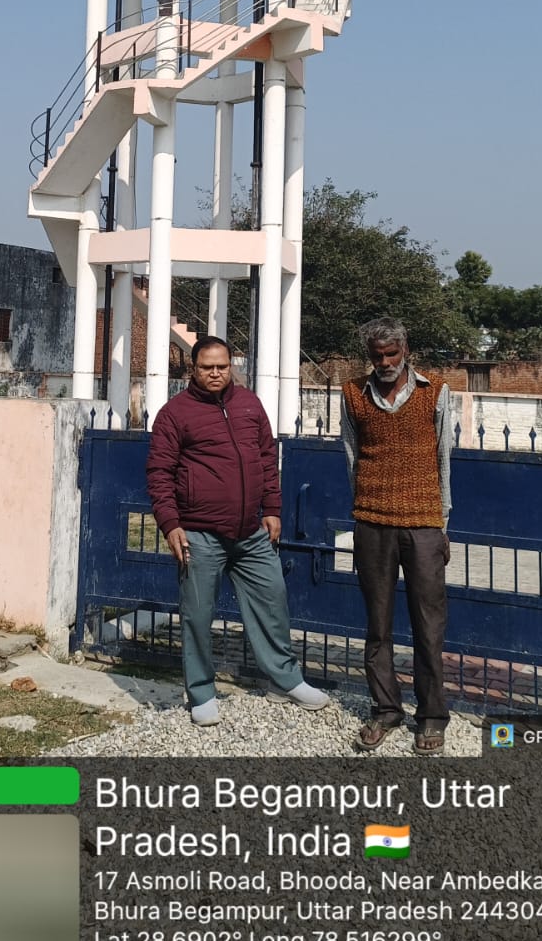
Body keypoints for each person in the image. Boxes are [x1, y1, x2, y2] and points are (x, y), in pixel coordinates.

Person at [146, 335, 329, 725]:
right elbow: (159, 473)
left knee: (273, 601)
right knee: (197, 615)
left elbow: (266, 457)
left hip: (250, 532)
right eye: (207, 367)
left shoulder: (249, 404)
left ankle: (285, 681)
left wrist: (273, 508)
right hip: (198, 533)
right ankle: (201, 693)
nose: (215, 373)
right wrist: (170, 524)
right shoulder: (174, 414)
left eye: (222, 366)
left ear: (232, 366)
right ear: (193, 369)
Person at [341, 318, 452, 754]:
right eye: (377, 356)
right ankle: (386, 709)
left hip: (423, 524)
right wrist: (363, 509)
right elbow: (351, 458)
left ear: (406, 350)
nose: (385, 363)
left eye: (391, 354)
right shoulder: (352, 395)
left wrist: (442, 525)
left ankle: (432, 716)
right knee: (378, 625)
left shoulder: (435, 392)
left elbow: (444, 460)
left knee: (428, 625)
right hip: (372, 522)